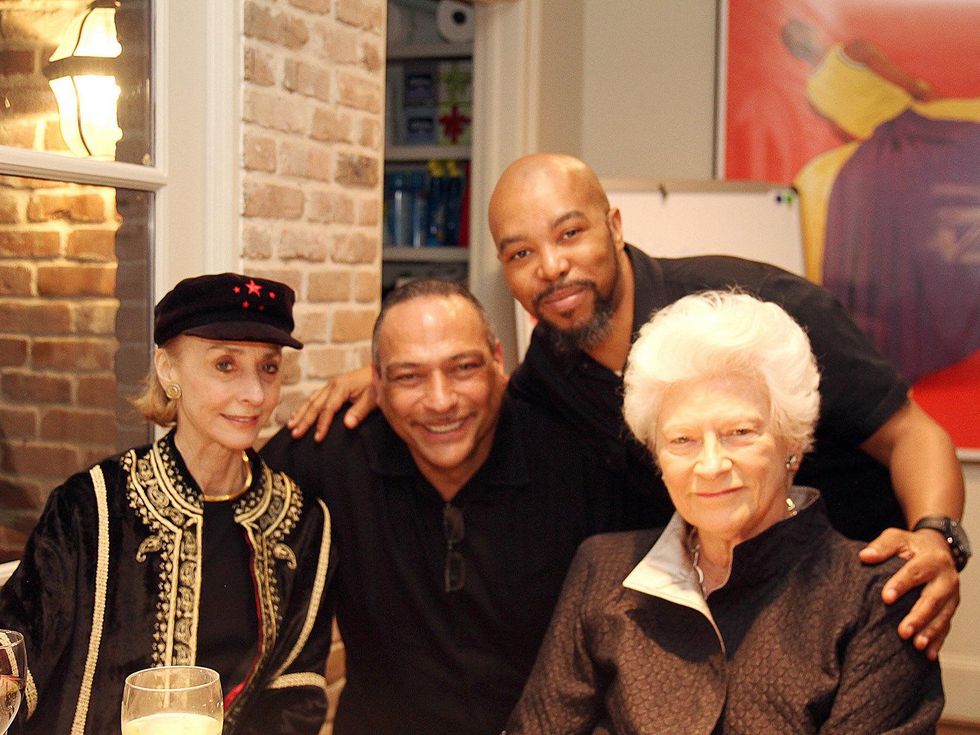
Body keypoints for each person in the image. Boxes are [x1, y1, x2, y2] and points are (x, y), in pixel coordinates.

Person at [287, 153, 966, 659]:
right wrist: (391, 375)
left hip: (854, 593)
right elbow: (479, 388)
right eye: (522, 252)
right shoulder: (550, 374)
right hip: (711, 615)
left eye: (569, 234)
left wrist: (937, 538)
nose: (551, 266)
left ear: (613, 224)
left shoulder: (758, 310)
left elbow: (912, 433)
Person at [505, 291, 944, 734]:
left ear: (792, 441)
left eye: (739, 432)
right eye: (682, 440)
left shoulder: (878, 596)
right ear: (657, 456)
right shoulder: (603, 571)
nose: (711, 466)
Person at [260, 280, 653, 735]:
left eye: (463, 367)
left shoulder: (579, 463)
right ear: (378, 382)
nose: (441, 401)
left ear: (498, 362)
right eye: (409, 376)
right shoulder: (331, 457)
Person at [0, 273, 335, 735]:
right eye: (225, 365)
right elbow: (17, 658)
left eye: (269, 368)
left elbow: (294, 692)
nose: (255, 394)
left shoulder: (303, 522)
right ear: (168, 369)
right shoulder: (94, 506)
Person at [781, 19, 980, 383]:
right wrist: (925, 96)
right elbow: (906, 85)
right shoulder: (850, 52)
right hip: (910, 129)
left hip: (877, 150)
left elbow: (849, 126)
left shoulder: (816, 87)